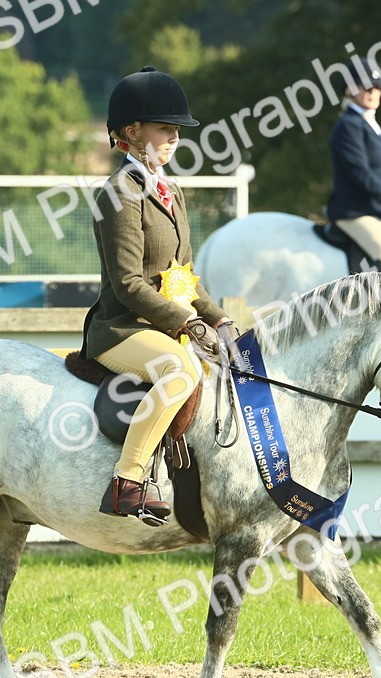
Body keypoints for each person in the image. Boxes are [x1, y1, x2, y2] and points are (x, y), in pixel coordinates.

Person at [81, 66, 239, 525]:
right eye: (165, 129)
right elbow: (129, 284)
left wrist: (219, 320)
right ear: (132, 133)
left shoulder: (172, 191)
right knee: (180, 368)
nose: (174, 138)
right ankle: (126, 480)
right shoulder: (118, 194)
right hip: (121, 329)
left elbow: (182, 276)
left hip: (166, 325)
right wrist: (188, 324)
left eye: (176, 131)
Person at [326, 66, 381, 272]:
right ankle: (368, 303)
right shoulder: (348, 126)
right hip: (354, 210)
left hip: (374, 207)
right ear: (350, 89)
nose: (374, 91)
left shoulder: (373, 126)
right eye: (367, 87)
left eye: (378, 87)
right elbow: (361, 174)